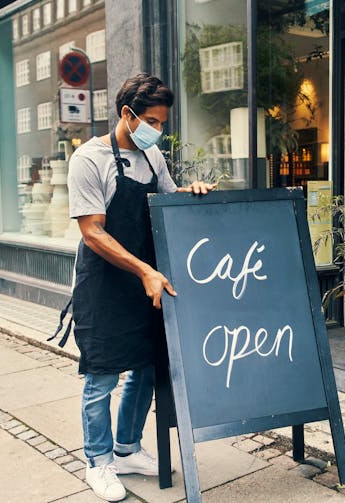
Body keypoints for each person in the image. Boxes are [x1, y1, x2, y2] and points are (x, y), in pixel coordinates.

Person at [64, 73, 214, 501]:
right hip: (105, 285)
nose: (158, 131)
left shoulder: (152, 158)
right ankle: (98, 462)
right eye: (151, 121)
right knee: (102, 377)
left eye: (163, 123)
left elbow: (164, 204)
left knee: (145, 369)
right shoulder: (89, 160)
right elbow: (93, 231)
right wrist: (144, 270)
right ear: (127, 114)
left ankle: (127, 449)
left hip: (146, 283)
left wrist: (191, 193)